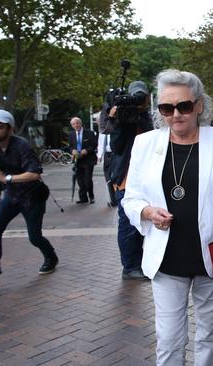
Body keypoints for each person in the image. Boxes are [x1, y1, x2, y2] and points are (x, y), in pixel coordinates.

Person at [122, 69, 213, 365]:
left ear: (199, 105)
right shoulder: (145, 144)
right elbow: (131, 198)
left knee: (209, 337)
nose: (176, 114)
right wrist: (148, 212)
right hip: (167, 257)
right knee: (169, 339)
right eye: (166, 108)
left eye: (184, 106)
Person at [0, 110, 58, 290]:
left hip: (32, 197)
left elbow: (34, 173)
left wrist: (6, 178)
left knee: (34, 237)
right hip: (12, 196)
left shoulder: (22, 146)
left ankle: (51, 257)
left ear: (10, 129)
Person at [101, 80, 153, 280]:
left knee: (142, 224)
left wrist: (140, 116)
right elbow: (116, 146)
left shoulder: (145, 117)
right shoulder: (121, 117)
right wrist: (117, 122)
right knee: (128, 225)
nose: (139, 102)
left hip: (145, 178)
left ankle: (138, 263)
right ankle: (129, 267)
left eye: (142, 98)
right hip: (126, 179)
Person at [68, 117, 97, 204]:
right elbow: (70, 146)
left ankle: (91, 197)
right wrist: (72, 150)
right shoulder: (71, 134)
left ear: (80, 123)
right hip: (77, 160)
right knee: (79, 180)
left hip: (88, 160)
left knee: (87, 180)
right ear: (72, 126)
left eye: (77, 123)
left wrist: (86, 150)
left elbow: (94, 145)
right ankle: (83, 198)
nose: (76, 125)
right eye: (73, 124)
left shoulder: (90, 133)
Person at [97, 132, 117, 207]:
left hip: (116, 154)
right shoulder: (102, 132)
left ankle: (118, 198)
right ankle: (113, 200)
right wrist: (99, 156)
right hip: (107, 155)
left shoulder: (116, 129)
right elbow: (100, 144)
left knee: (116, 177)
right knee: (108, 178)